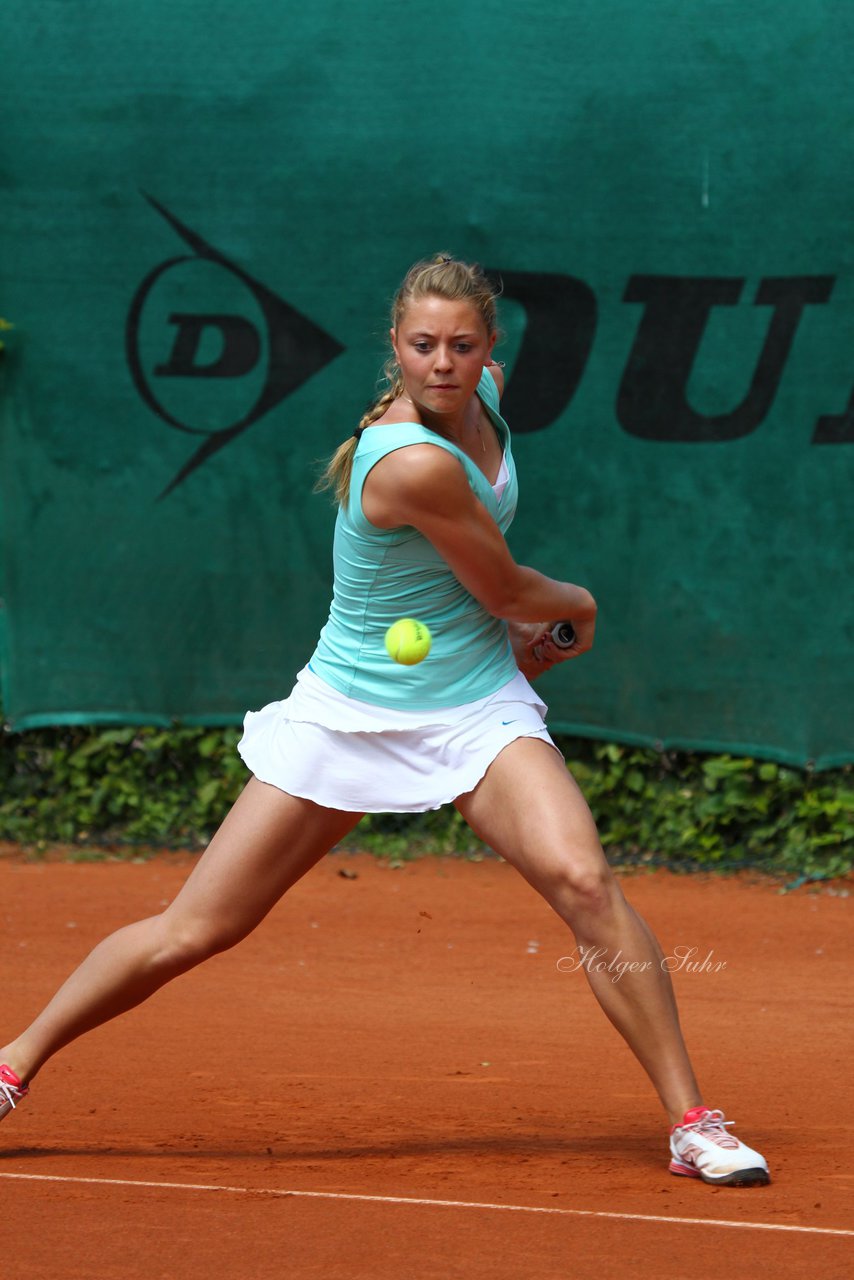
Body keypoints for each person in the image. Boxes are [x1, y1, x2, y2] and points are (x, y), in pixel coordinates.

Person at [1, 253, 769, 1188]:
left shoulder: (486, 394)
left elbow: (491, 604)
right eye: (421, 346)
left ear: (490, 349)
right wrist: (582, 607)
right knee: (195, 928)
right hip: (351, 714)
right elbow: (507, 587)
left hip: (475, 707)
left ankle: (692, 1122)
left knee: (583, 878)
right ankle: (12, 1065)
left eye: (460, 344)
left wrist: (522, 641)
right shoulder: (410, 462)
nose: (442, 363)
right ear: (394, 349)